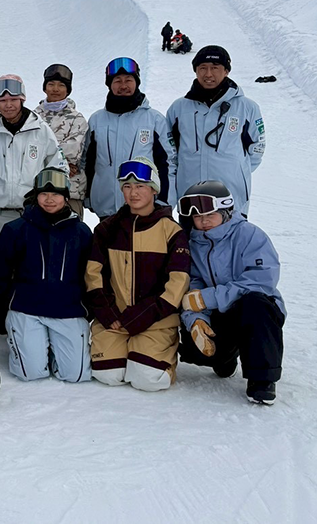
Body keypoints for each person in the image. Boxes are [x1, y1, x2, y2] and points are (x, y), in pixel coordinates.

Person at [84, 158, 190, 392]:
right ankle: (127, 348)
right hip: (115, 318)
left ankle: (163, 357)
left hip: (155, 320)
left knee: (147, 379)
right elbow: (93, 274)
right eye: (127, 186)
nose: (133, 193)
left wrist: (144, 315)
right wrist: (107, 312)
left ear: (153, 189)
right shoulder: (107, 229)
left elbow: (178, 282)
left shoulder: (171, 231)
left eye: (140, 186)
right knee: (108, 374)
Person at [176, 181, 284, 404]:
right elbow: (192, 284)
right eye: (197, 217)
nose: (203, 222)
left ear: (226, 212)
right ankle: (224, 358)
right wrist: (195, 320)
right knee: (194, 343)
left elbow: (261, 280)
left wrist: (208, 298)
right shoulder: (192, 243)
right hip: (218, 315)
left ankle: (262, 380)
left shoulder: (249, 235)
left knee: (256, 304)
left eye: (210, 215)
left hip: (253, 312)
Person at [0, 169, 93, 383]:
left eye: (55, 194)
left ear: (66, 197)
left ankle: (54, 348)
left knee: (76, 375)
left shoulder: (81, 232)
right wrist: (1, 311)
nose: (49, 199)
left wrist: (88, 307)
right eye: (44, 194)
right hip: (26, 309)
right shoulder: (16, 229)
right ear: (35, 196)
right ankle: (33, 347)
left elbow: (91, 274)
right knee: (31, 373)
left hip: (68, 310)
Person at [166, 46, 265, 217]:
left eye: (215, 68)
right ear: (195, 71)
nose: (208, 74)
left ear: (226, 71)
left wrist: (237, 172)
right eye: (202, 68)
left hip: (231, 197)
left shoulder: (247, 107)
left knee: (233, 241)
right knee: (192, 242)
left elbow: (256, 148)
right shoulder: (179, 108)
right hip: (190, 197)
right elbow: (169, 150)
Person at [0, 73, 67, 250]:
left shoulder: (40, 130)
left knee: (30, 267)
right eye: (3, 101)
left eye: (13, 99)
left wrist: (45, 199)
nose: (8, 105)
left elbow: (58, 166)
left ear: (22, 100)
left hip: (32, 214)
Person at [82, 57, 174, 218]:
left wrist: (164, 200)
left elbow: (168, 163)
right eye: (117, 80)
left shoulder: (154, 119)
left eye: (128, 80)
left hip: (145, 208)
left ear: (137, 82)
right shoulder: (97, 120)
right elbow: (88, 162)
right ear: (109, 84)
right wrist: (89, 197)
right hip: (106, 208)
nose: (123, 86)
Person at [33, 63, 89, 218]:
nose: (55, 89)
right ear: (45, 88)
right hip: (40, 192)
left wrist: (42, 159)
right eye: (51, 84)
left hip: (70, 191)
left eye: (61, 85)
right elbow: (29, 149)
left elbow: (72, 151)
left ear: (68, 89)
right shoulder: (33, 117)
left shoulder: (77, 118)